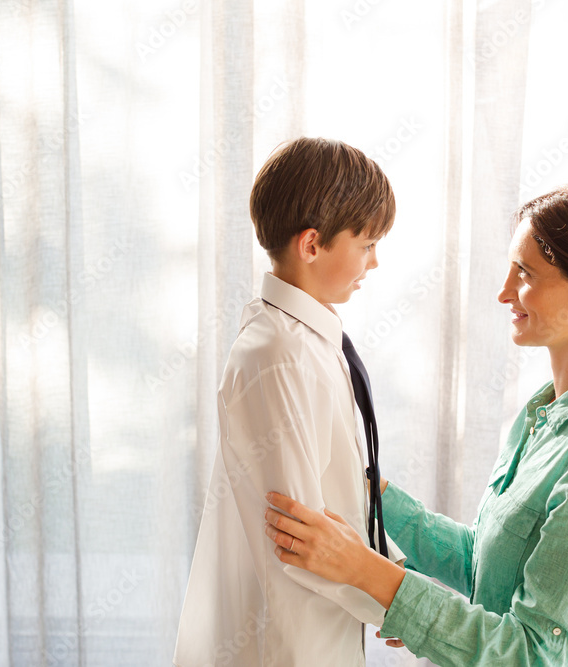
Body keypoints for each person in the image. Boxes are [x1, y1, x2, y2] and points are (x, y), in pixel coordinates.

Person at [264, 184, 568, 665]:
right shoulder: (545, 414)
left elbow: (528, 654)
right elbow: (483, 563)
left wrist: (367, 573)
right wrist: (372, 495)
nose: (504, 292)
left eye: (524, 273)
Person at [174, 137, 406, 667]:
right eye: (367, 244)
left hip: (319, 629)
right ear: (312, 245)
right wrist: (394, 602)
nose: (374, 262)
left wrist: (390, 574)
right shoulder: (279, 354)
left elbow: (337, 500)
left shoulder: (306, 341)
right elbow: (300, 535)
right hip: (286, 642)